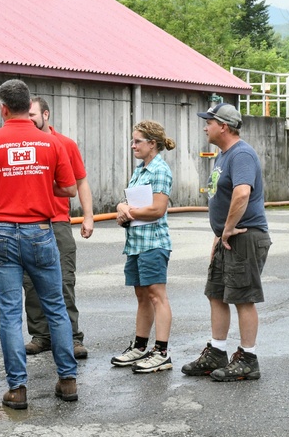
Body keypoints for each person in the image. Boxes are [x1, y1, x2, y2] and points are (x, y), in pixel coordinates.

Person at [0, 79, 79, 410]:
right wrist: (41, 186)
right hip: (40, 231)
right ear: (29, 106)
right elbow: (69, 190)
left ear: (3, 107)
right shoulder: (50, 143)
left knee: (10, 313)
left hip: (1, 232)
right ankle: (68, 380)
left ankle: (17, 389)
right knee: (55, 306)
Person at [182, 103, 271, 382]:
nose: (205, 126)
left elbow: (242, 194)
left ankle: (248, 359)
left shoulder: (241, 154)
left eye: (209, 121)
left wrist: (229, 229)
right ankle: (217, 352)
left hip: (244, 235)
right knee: (216, 293)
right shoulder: (223, 156)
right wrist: (219, 235)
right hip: (228, 237)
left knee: (243, 298)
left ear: (223, 126)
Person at [23, 96, 94, 360]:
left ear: (46, 115)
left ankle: (72, 338)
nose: (28, 119)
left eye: (32, 114)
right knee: (30, 283)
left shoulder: (65, 144)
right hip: (27, 224)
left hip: (58, 222)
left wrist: (88, 216)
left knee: (64, 280)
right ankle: (42, 336)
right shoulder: (20, 145)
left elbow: (81, 182)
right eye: (25, 114)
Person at [111, 120, 175, 374]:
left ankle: (161, 352)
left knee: (157, 296)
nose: (133, 145)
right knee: (142, 296)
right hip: (136, 243)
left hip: (153, 243)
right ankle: (139, 347)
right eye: (132, 140)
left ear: (152, 143)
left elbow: (157, 209)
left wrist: (128, 211)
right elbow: (128, 202)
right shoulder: (140, 169)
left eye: (138, 141)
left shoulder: (160, 170)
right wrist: (121, 209)